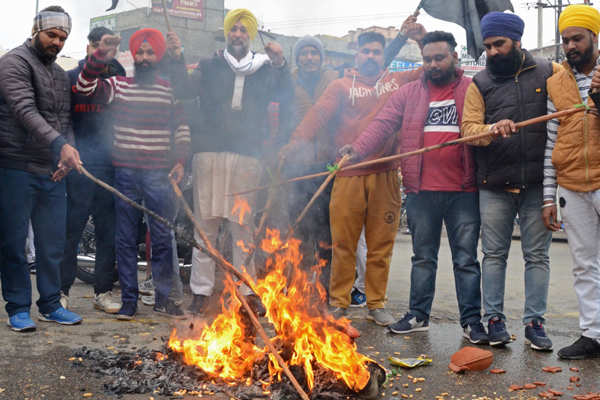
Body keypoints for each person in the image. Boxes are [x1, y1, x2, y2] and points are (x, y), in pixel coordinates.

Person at [341, 31, 487, 344]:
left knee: (465, 259)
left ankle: (472, 322)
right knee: (423, 257)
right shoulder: (408, 93)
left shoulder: (471, 88)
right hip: (421, 191)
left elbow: (484, 125)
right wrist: (356, 150)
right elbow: (382, 124)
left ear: (454, 57)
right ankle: (418, 315)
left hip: (464, 190)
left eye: (439, 58)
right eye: (428, 59)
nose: (433, 64)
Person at [282, 27, 426, 327]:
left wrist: (421, 38)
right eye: (366, 51)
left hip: (386, 173)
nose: (371, 56)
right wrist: (293, 143)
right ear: (356, 55)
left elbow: (433, 67)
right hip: (347, 173)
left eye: (376, 51)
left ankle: (376, 303)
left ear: (382, 55)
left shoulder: (396, 81)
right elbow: (316, 116)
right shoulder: (339, 86)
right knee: (342, 243)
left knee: (380, 244)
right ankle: (338, 302)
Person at [180, 9, 294, 315]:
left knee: (242, 228)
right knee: (205, 227)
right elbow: (184, 91)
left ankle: (246, 290)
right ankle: (201, 292)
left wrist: (282, 63)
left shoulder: (266, 68)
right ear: (227, 33)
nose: (238, 35)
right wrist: (177, 59)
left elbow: (286, 98)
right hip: (209, 153)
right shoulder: (209, 64)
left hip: (247, 155)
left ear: (251, 35)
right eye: (234, 30)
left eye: (244, 31)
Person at [461, 12, 561, 350]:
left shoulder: (549, 71)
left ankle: (535, 323)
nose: (491, 52)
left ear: (517, 42)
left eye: (498, 44)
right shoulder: (480, 84)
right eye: (487, 46)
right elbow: (468, 131)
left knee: (537, 256)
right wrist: (491, 129)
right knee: (493, 255)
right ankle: (494, 319)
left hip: (537, 184)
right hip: (494, 185)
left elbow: (567, 109)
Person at [75, 28, 191, 320]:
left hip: (158, 175)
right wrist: (100, 55)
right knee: (124, 238)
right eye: (140, 52)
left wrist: (180, 162)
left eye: (150, 52)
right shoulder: (118, 84)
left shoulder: (169, 89)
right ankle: (129, 300)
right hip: (125, 172)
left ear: (159, 56)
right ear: (133, 56)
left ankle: (164, 299)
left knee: (162, 237)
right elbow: (84, 88)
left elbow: (181, 128)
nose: (144, 57)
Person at [0, 6, 83, 331]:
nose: (57, 43)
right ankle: (18, 307)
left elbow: (65, 121)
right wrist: (59, 145)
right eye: (52, 35)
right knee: (14, 242)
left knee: (52, 243)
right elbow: (24, 109)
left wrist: (67, 153)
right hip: (15, 166)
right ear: (36, 31)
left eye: (63, 37)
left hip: (51, 171)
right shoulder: (13, 63)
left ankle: (50, 303)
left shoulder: (60, 75)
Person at [543, 4, 600, 359]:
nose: (571, 46)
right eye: (566, 40)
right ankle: (593, 334)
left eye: (577, 38)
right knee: (584, 263)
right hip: (572, 185)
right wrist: (549, 197)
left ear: (595, 36)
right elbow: (552, 140)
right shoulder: (556, 81)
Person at [60, 26, 126, 314]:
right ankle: (60, 291)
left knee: (107, 232)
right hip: (80, 164)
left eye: (110, 47)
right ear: (89, 47)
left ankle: (102, 292)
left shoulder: (119, 77)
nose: (106, 52)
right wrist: (67, 154)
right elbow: (64, 119)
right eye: (101, 46)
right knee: (72, 229)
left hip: (111, 165)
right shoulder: (72, 78)